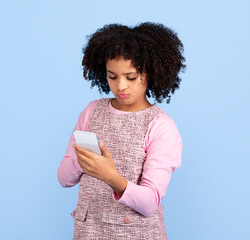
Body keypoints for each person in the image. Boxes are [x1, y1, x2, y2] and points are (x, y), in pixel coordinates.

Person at [57, 22, 186, 239]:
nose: (121, 86)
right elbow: (63, 179)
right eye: (112, 76)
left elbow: (149, 203)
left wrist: (110, 176)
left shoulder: (161, 126)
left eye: (131, 77)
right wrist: (83, 160)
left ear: (151, 73)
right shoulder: (92, 112)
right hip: (88, 233)